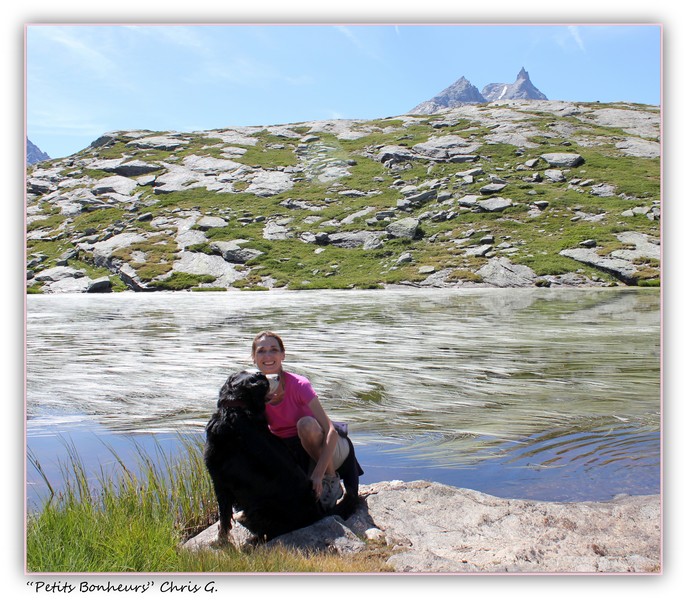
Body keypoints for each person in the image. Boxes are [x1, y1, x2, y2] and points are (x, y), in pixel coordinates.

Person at [251, 330, 351, 509]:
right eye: (261, 351)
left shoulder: (299, 385)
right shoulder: (253, 391)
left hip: (327, 449)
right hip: (293, 453)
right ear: (253, 357)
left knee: (306, 424)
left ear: (283, 355)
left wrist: (319, 474)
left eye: (274, 349)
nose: (268, 355)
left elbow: (331, 432)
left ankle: (331, 481)